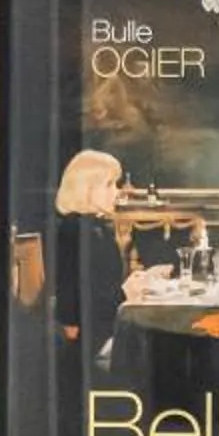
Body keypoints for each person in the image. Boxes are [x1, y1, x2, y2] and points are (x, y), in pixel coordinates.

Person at [50, 149, 140, 368]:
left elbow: (102, 285)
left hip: (102, 330)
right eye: (109, 185)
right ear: (86, 188)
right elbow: (70, 284)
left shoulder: (96, 227)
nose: (117, 192)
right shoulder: (74, 229)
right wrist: (128, 291)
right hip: (89, 341)